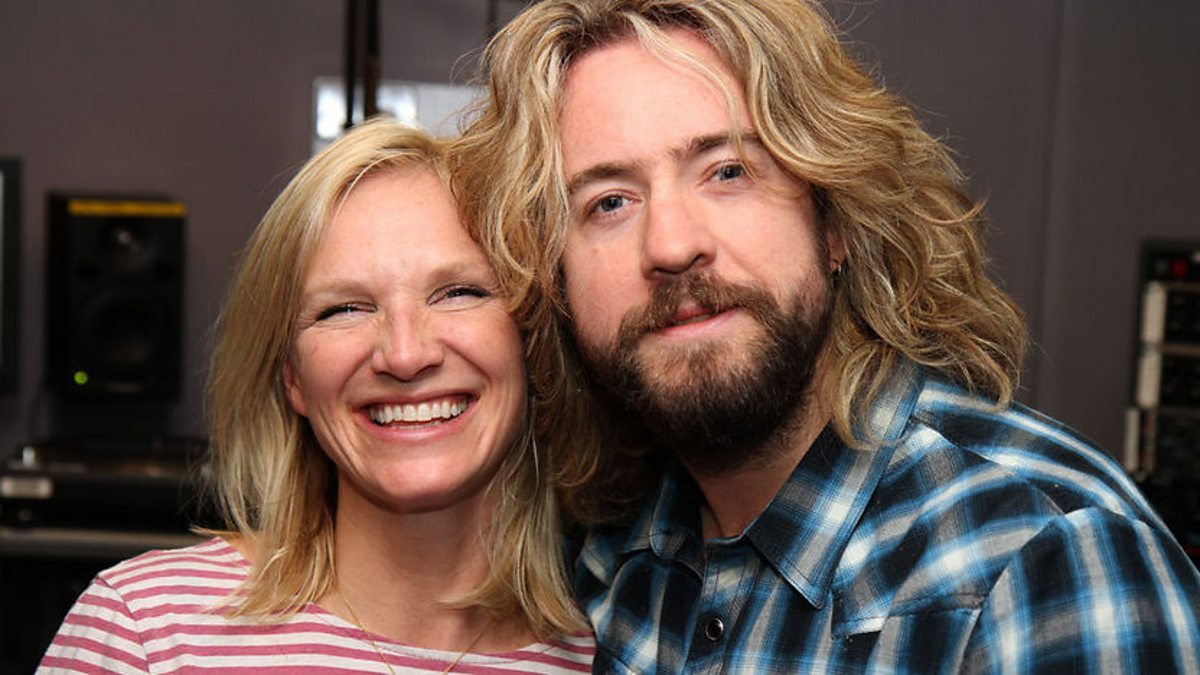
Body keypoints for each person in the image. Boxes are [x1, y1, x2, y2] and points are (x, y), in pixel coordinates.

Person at [451, 0, 1200, 672]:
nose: (672, 245)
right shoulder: (607, 562)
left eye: (728, 170)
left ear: (835, 223)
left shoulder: (1042, 556)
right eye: (609, 202)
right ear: (558, 282)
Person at [39, 119, 594, 673]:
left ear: (532, 343)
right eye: (344, 309)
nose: (405, 354)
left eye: (458, 293)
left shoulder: (611, 652)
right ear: (293, 377)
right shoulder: (145, 631)